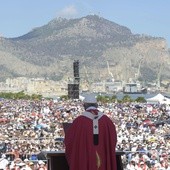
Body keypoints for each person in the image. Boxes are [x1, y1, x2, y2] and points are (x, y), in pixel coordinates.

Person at [64, 95, 117, 170]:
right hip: (103, 158)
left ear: (84, 106)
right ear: (97, 105)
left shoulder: (78, 121)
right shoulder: (107, 121)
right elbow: (113, 140)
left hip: (85, 159)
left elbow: (69, 141)